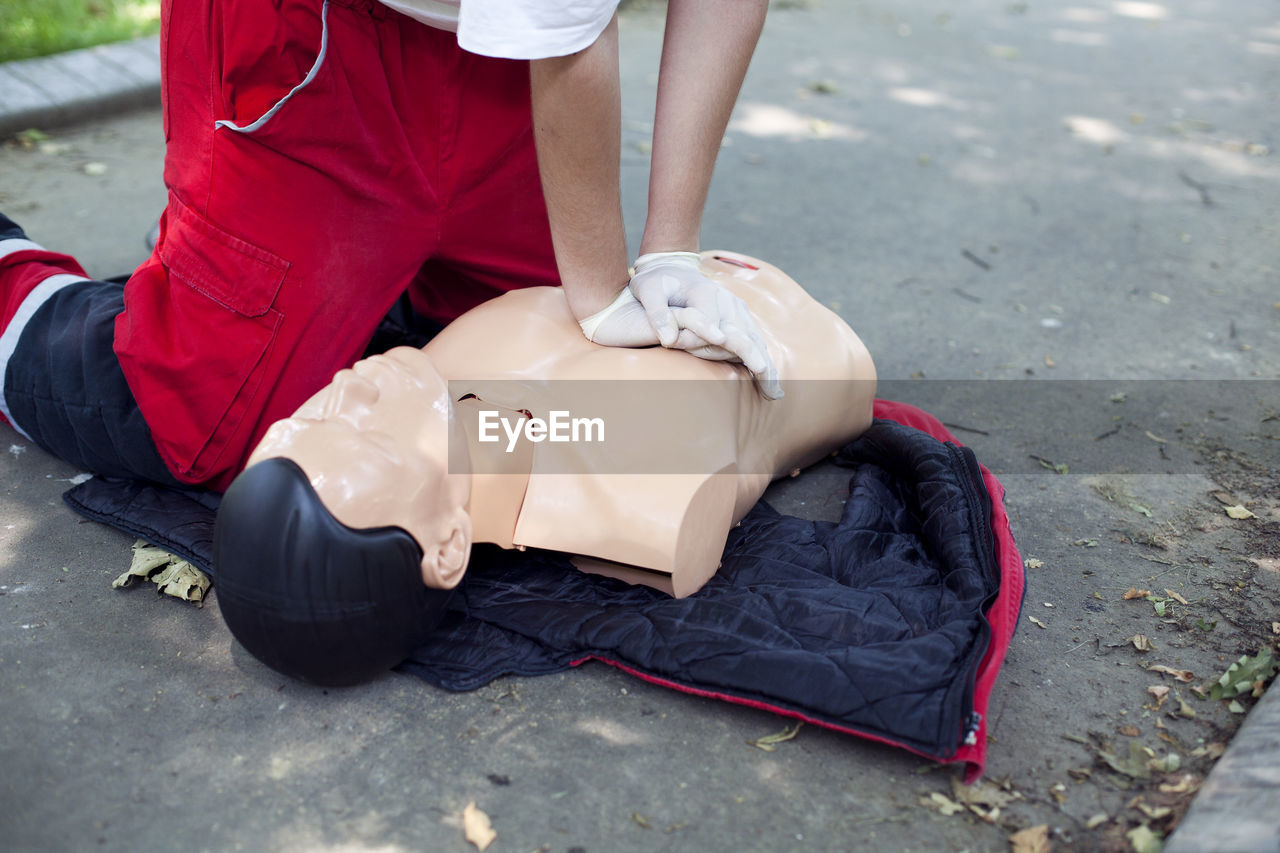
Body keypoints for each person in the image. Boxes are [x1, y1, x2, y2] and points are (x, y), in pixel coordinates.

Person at [0, 0, 775, 493]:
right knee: (209, 423)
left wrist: (672, 250)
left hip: (496, 53)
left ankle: (262, 272)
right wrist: (604, 295)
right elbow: (563, 30)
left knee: (553, 407)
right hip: (314, 36)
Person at [214, 251, 876, 685]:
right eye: (367, 435)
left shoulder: (437, 379)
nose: (349, 387)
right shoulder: (629, 492)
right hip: (819, 340)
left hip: (706, 276)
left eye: (312, 417)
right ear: (446, 547)